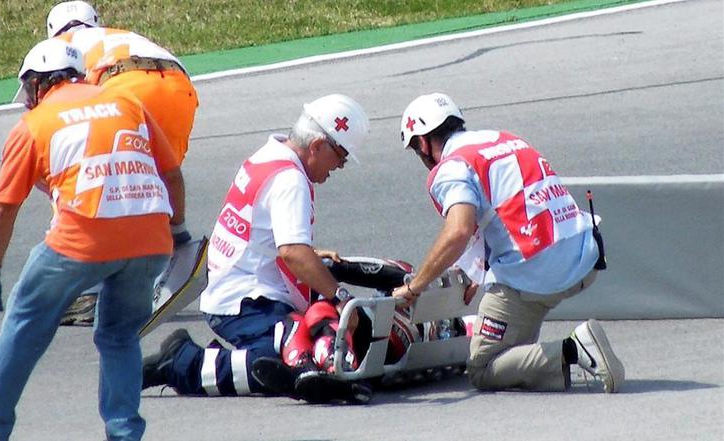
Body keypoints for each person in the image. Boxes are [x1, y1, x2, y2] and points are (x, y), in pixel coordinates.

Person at [0, 38, 186, 441]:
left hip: (82, 240)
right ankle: (124, 433)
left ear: (39, 84)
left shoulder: (35, 125)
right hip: (151, 239)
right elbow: (172, 174)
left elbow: (5, 209)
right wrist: (178, 233)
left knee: (25, 318)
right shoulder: (128, 105)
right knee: (120, 335)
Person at [141, 94, 372, 403]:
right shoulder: (291, 180)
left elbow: (260, 236)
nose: (341, 165)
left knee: (325, 334)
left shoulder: (269, 155)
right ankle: (181, 363)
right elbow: (291, 251)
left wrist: (310, 257)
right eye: (341, 155)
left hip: (236, 287)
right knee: (290, 366)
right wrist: (341, 297)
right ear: (317, 146)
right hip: (244, 302)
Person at [392, 92, 624, 393]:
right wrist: (481, 269)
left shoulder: (451, 167)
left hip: (536, 272)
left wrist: (415, 286)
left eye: (415, 148)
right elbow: (507, 208)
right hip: (585, 253)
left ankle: (573, 350)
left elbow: (458, 231)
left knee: (483, 367)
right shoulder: (505, 138)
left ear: (423, 142)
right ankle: (551, 366)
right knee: (516, 354)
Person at [37, 1, 199, 325]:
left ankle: (88, 288)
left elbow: (45, 125)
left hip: (124, 88)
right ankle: (174, 240)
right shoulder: (113, 35)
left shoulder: (54, 53)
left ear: (51, 32)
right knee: (152, 179)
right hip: (179, 87)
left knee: (76, 178)